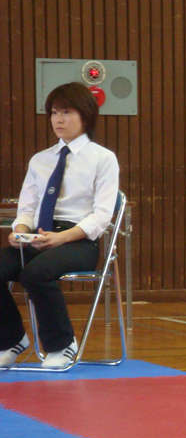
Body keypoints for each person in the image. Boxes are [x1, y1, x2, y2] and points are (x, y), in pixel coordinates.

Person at [0, 82, 119, 369]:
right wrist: (20, 231)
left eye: (66, 112)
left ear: (86, 116)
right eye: (54, 113)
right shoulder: (40, 160)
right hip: (39, 236)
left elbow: (102, 215)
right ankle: (12, 339)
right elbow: (27, 208)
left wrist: (62, 238)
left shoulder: (103, 158)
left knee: (35, 273)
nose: (59, 120)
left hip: (78, 241)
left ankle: (62, 345)